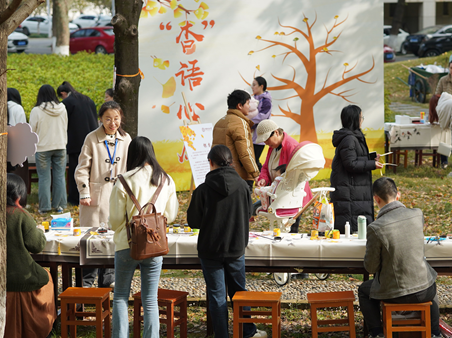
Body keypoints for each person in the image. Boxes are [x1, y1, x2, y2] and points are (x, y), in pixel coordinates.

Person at [187, 145, 267, 338]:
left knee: (217, 295)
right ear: (231, 162)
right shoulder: (243, 187)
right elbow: (248, 213)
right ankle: (248, 332)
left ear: (210, 162)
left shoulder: (203, 190)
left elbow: (193, 221)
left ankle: (221, 335)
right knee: (239, 292)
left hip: (210, 250)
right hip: (236, 247)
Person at [109, 136, 179, 338]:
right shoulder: (166, 179)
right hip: (155, 244)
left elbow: (115, 220)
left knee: (120, 296)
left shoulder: (123, 180)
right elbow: (171, 215)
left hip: (126, 244)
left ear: (132, 155)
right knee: (150, 299)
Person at [358, 177, 441, 338]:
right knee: (430, 280)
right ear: (398, 195)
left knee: (364, 290)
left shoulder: (376, 228)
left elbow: (371, 267)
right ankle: (435, 332)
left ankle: (377, 333)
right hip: (425, 291)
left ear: (376, 199)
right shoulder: (417, 214)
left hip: (395, 293)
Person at [75, 101, 132, 289]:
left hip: (118, 195)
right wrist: (84, 192)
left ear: (121, 118)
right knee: (92, 239)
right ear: (100, 119)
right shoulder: (91, 138)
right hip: (96, 196)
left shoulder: (126, 139)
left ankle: (108, 279)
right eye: (108, 119)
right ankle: (87, 281)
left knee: (114, 237)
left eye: (116, 118)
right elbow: (82, 169)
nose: (112, 123)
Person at [5, 174, 56, 338]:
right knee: (46, 277)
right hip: (21, 277)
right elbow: (36, 245)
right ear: (18, 195)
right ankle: (42, 327)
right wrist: (40, 231)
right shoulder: (19, 214)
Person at [330, 105, 383, 233]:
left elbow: (355, 157)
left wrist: (370, 158)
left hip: (355, 189)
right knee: (351, 225)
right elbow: (350, 164)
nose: (362, 120)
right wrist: (371, 164)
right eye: (361, 117)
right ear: (354, 119)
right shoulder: (349, 139)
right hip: (349, 191)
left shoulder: (353, 137)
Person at [255, 119, 313, 232]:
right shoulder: (272, 147)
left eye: (267, 139)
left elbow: (297, 174)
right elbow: (266, 166)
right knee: (281, 230)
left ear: (276, 132)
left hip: (292, 197)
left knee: (291, 231)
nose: (265, 143)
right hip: (279, 195)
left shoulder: (292, 146)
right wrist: (263, 179)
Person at [57, 81, 98, 206]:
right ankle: (91, 195)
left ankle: (75, 197)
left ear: (63, 93)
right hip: (93, 140)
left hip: (76, 142)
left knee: (76, 170)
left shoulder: (67, 103)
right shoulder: (87, 99)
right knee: (91, 170)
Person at [29, 84, 68, 213]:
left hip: (43, 147)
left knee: (44, 178)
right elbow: (65, 126)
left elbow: (32, 130)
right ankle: (59, 205)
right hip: (60, 146)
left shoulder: (36, 110)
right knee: (59, 176)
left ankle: (44, 207)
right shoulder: (62, 108)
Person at [212, 89, 259, 190]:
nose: (249, 106)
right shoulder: (240, 123)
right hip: (239, 176)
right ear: (239, 106)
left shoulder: (219, 122)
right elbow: (245, 152)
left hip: (220, 175)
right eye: (248, 103)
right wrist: (255, 174)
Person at [249, 77, 272, 170]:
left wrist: (249, 121)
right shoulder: (252, 99)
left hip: (259, 137)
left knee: (254, 160)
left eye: (254, 85)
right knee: (252, 160)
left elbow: (262, 116)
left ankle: (263, 176)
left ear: (261, 86)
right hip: (250, 136)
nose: (252, 87)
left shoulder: (266, 101)